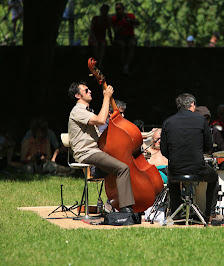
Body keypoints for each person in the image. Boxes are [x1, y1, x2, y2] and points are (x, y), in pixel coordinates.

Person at [67, 81, 135, 213]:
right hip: (87, 154)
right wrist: (106, 98)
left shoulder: (86, 111)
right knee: (123, 168)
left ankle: (113, 205)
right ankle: (126, 209)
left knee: (126, 166)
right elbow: (101, 120)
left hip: (94, 152)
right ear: (77, 95)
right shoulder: (78, 111)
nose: (90, 91)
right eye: (86, 90)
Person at [161, 93, 219, 222]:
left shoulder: (168, 122)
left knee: (172, 176)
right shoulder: (200, 120)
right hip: (197, 168)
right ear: (192, 105)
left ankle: (175, 212)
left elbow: (164, 150)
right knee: (214, 176)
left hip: (176, 168)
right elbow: (209, 146)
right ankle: (209, 213)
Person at [112, 3, 140, 74]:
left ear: (123, 9)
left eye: (119, 9)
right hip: (120, 38)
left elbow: (138, 23)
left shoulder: (130, 16)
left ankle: (127, 65)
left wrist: (130, 21)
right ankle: (124, 64)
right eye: (116, 9)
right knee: (122, 46)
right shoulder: (115, 18)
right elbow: (115, 30)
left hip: (129, 37)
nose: (118, 11)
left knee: (132, 44)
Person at [88, 4, 113, 69]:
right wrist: (94, 38)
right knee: (95, 45)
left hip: (101, 38)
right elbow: (91, 30)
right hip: (94, 38)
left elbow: (109, 31)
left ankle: (100, 63)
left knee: (103, 45)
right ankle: (97, 62)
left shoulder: (108, 20)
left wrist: (112, 42)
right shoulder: (95, 18)